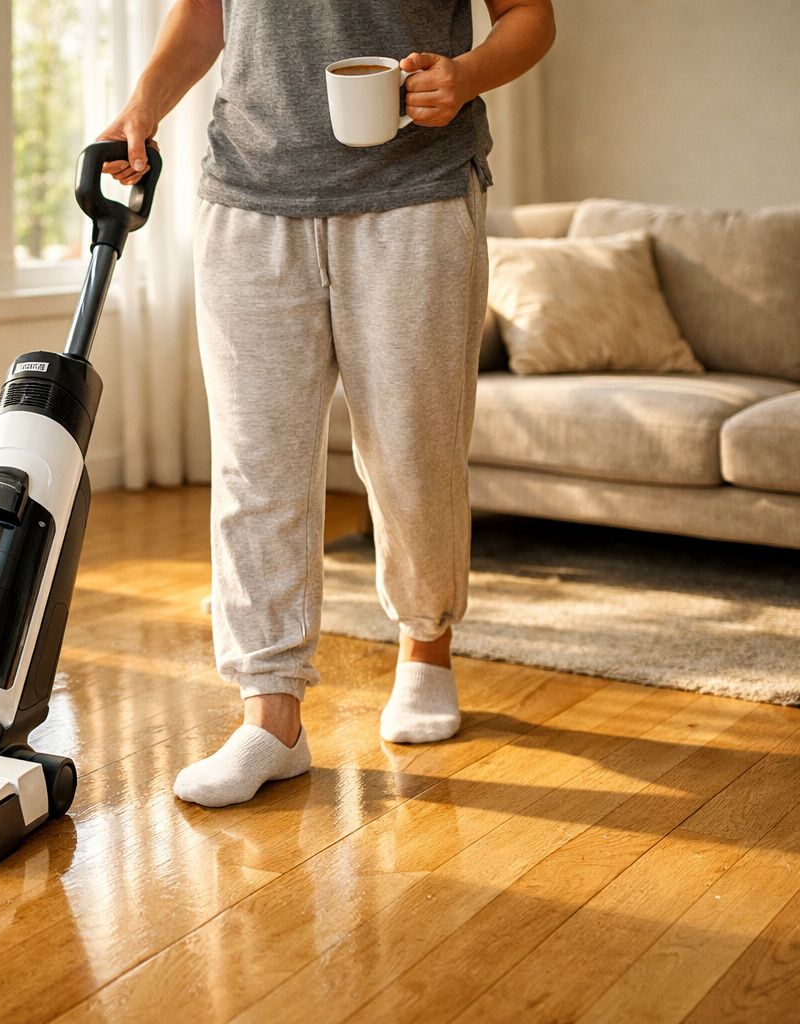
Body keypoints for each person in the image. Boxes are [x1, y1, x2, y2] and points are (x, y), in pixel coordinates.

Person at [100, 0, 556, 807]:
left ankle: (425, 645)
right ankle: (271, 716)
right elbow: (205, 15)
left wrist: (466, 76)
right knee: (256, 462)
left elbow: (531, 17)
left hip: (415, 195)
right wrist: (143, 104)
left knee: (414, 451)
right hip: (248, 194)